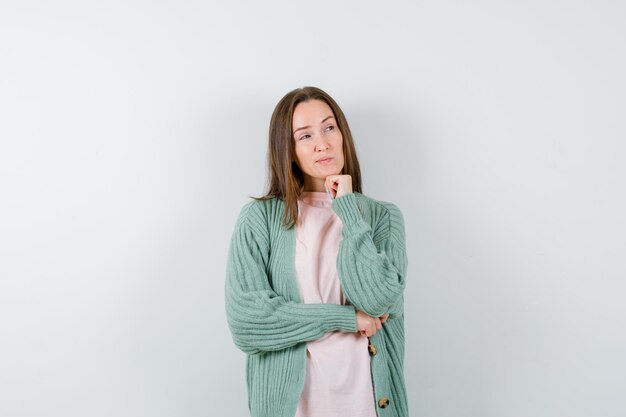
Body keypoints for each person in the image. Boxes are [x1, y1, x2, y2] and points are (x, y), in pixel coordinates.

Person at [225, 86, 409, 417]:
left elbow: (379, 301)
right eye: (305, 135)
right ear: (289, 150)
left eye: (329, 127)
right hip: (294, 407)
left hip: (367, 403)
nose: (322, 143)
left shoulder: (383, 217)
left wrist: (350, 211)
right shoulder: (259, 219)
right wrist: (347, 318)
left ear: (342, 135)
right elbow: (248, 323)